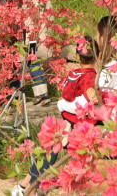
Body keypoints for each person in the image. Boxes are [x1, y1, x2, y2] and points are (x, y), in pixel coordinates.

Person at [13, 44, 102, 196]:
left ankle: (24, 186)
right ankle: (28, 188)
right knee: (73, 159)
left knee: (50, 152)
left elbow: (66, 94)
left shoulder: (74, 73)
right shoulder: (89, 76)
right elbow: (91, 97)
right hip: (78, 123)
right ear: (98, 56)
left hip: (66, 119)